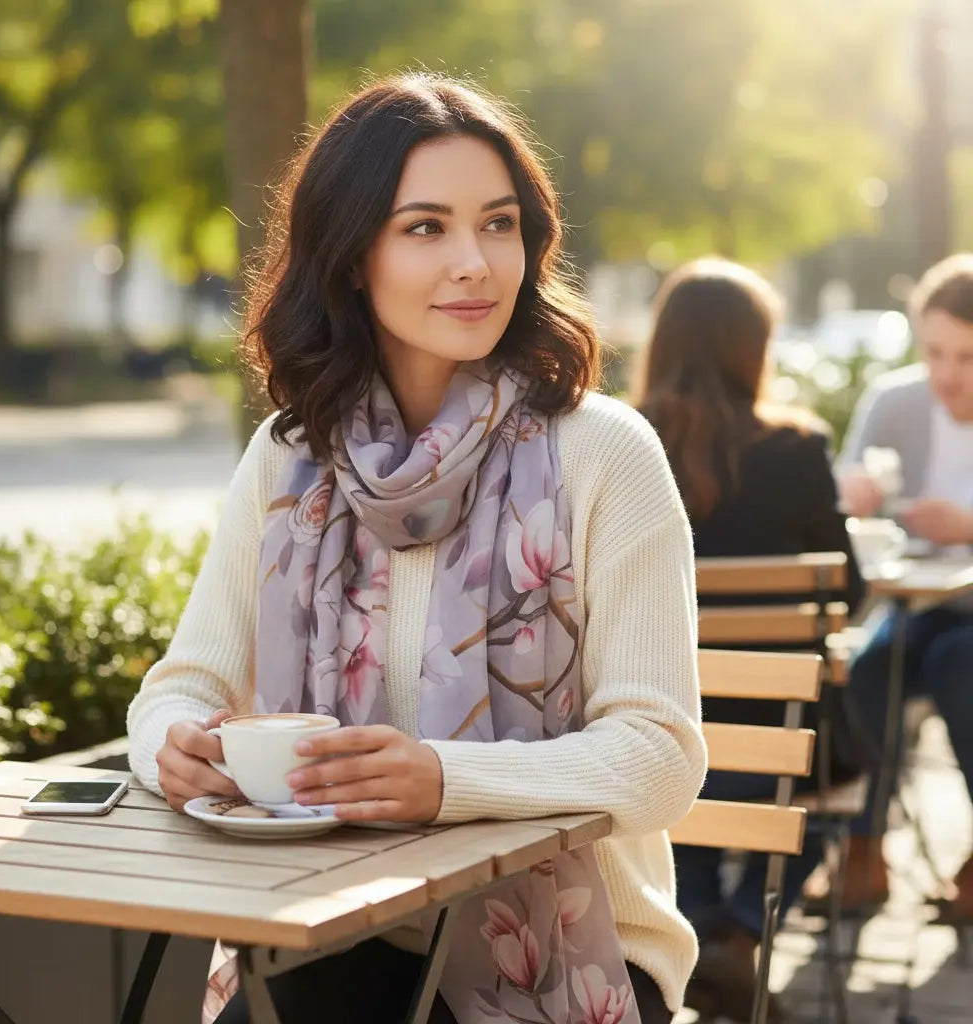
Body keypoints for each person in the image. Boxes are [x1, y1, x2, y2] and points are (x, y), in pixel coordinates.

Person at [125, 75, 706, 1024]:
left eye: (499, 224)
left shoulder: (603, 453)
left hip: (578, 953)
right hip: (332, 919)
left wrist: (443, 782)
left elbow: (659, 757)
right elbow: (180, 690)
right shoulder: (290, 457)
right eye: (426, 228)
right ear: (352, 256)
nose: (474, 263)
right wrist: (173, 750)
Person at [636, 258, 866, 1022]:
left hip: (658, 727)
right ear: (753, 348)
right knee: (842, 781)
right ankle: (736, 934)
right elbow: (850, 592)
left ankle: (701, 927)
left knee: (690, 759)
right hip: (783, 739)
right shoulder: (798, 450)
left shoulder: (626, 447)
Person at [832, 253, 973, 913]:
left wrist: (967, 526)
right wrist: (851, 497)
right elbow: (838, 496)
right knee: (867, 671)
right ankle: (864, 851)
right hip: (912, 604)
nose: (947, 374)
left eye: (966, 357)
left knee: (958, 663)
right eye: (934, 352)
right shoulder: (894, 402)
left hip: (961, 621)